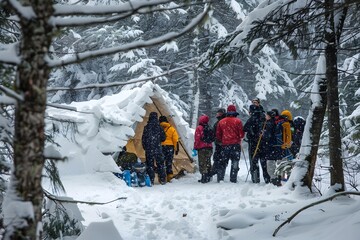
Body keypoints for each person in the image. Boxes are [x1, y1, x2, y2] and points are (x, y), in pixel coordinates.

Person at [216, 105, 245, 183]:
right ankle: (233, 178)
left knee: (223, 162)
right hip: (235, 145)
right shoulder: (238, 121)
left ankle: (220, 178)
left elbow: (218, 134)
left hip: (225, 145)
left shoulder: (221, 121)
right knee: (235, 162)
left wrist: (221, 140)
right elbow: (241, 134)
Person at [244, 104, 270, 183]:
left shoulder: (251, 119)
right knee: (264, 162)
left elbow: (245, 128)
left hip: (253, 143)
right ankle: (267, 178)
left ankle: (255, 179)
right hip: (264, 143)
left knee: (254, 161)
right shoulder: (264, 118)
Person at [142, 112, 167, 185]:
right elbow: (163, 138)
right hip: (158, 149)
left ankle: (151, 179)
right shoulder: (159, 127)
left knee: (150, 165)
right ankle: (162, 179)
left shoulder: (146, 127)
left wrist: (145, 147)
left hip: (149, 149)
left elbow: (143, 139)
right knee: (160, 164)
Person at [262, 111, 282, 186]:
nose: (265, 116)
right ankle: (279, 178)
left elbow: (268, 136)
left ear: (269, 116)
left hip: (270, 147)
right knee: (277, 163)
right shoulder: (277, 123)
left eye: (266, 115)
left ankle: (274, 180)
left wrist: (263, 134)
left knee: (270, 164)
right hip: (277, 146)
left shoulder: (269, 124)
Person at [274, 110, 294, 182]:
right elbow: (289, 136)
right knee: (287, 163)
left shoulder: (278, 123)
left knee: (281, 163)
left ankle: (280, 177)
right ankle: (285, 178)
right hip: (285, 147)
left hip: (280, 146)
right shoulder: (286, 124)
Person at [159, 115, 179, 182]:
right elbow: (175, 139)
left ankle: (161, 177)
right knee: (169, 162)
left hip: (161, 146)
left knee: (161, 162)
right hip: (170, 147)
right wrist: (176, 149)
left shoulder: (158, 128)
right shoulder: (171, 129)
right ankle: (169, 177)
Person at [193, 114, 213, 183]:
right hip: (209, 148)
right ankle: (208, 176)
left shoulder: (199, 128)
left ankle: (203, 177)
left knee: (202, 162)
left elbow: (197, 138)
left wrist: (195, 147)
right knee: (208, 162)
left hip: (202, 148)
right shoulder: (209, 127)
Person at [209, 108, 226, 178]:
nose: (218, 115)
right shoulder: (223, 122)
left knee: (218, 159)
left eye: (219, 113)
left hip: (220, 143)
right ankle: (219, 174)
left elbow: (214, 133)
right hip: (224, 144)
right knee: (221, 160)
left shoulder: (219, 123)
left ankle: (217, 173)